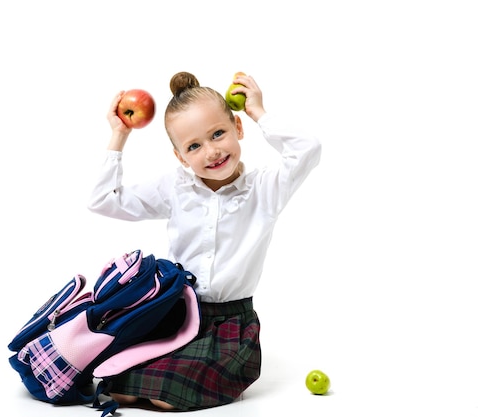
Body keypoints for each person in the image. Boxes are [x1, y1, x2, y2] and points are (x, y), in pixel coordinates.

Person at [87, 71, 321, 410]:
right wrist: (119, 135)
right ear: (181, 157)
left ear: (238, 129)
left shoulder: (266, 189)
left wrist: (258, 112)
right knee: (118, 387)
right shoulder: (176, 187)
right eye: (194, 146)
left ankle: (208, 376)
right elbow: (103, 200)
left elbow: (308, 149)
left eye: (219, 134)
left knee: (165, 397)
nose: (211, 152)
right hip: (177, 315)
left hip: (230, 325)